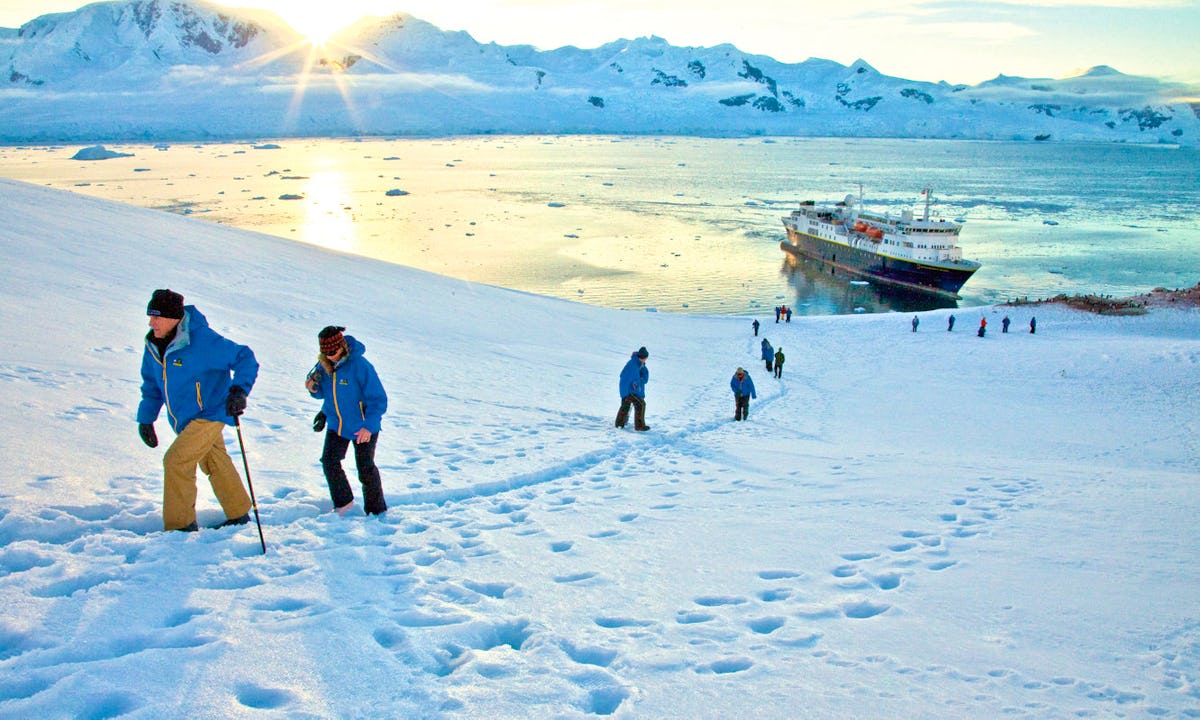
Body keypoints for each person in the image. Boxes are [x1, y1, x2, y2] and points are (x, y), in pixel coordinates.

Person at [137, 289, 258, 532]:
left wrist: (239, 390)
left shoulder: (201, 340)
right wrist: (146, 419)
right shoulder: (153, 346)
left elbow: (245, 357)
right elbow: (152, 385)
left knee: (176, 461)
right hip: (185, 419)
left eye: (157, 317)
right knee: (214, 460)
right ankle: (238, 513)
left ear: (173, 318)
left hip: (210, 412)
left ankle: (180, 527)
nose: (152, 323)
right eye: (150, 317)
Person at [305, 326, 389, 516]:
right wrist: (313, 389)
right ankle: (344, 505)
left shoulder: (360, 366)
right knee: (329, 461)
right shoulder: (324, 365)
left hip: (363, 426)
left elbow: (378, 399)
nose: (330, 356)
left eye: (333, 352)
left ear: (342, 347)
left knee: (365, 469)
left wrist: (369, 426)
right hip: (337, 425)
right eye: (325, 353)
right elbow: (326, 395)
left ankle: (377, 512)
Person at [615, 346, 650, 431]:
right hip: (629, 390)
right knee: (641, 404)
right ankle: (639, 426)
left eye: (644, 358)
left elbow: (642, 378)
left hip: (630, 390)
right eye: (642, 357)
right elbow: (625, 377)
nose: (643, 359)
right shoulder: (633, 364)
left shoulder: (639, 364)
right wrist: (627, 391)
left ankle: (619, 424)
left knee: (626, 406)